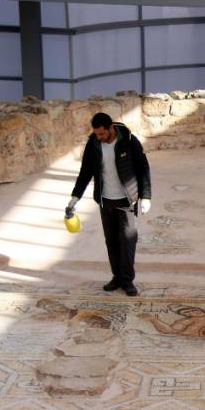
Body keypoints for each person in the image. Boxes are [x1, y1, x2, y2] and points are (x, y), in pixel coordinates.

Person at [65, 113, 152, 297]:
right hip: (105, 200)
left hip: (126, 200)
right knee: (111, 241)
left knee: (128, 241)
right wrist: (75, 197)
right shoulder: (94, 144)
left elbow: (143, 168)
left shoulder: (128, 140)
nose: (99, 138)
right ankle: (117, 277)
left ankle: (128, 281)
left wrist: (146, 196)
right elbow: (85, 172)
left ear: (111, 128)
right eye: (97, 134)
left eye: (102, 134)